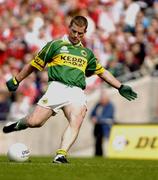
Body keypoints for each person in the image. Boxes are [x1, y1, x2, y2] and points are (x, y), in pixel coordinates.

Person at [2, 16, 137, 163]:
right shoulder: (55, 45)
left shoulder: (87, 53)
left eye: (80, 33)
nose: (76, 35)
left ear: (85, 32)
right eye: (74, 31)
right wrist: (17, 80)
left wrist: (120, 86)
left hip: (76, 91)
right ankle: (18, 124)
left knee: (76, 119)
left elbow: (102, 72)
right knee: (35, 122)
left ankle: (61, 155)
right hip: (56, 88)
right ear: (69, 27)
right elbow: (33, 64)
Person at [90, 89, 115, 156]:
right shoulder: (98, 105)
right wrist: (92, 118)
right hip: (98, 129)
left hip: (106, 128)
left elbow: (107, 116)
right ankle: (98, 155)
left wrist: (97, 119)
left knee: (105, 144)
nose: (101, 100)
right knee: (97, 144)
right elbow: (92, 113)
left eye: (103, 99)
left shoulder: (110, 106)